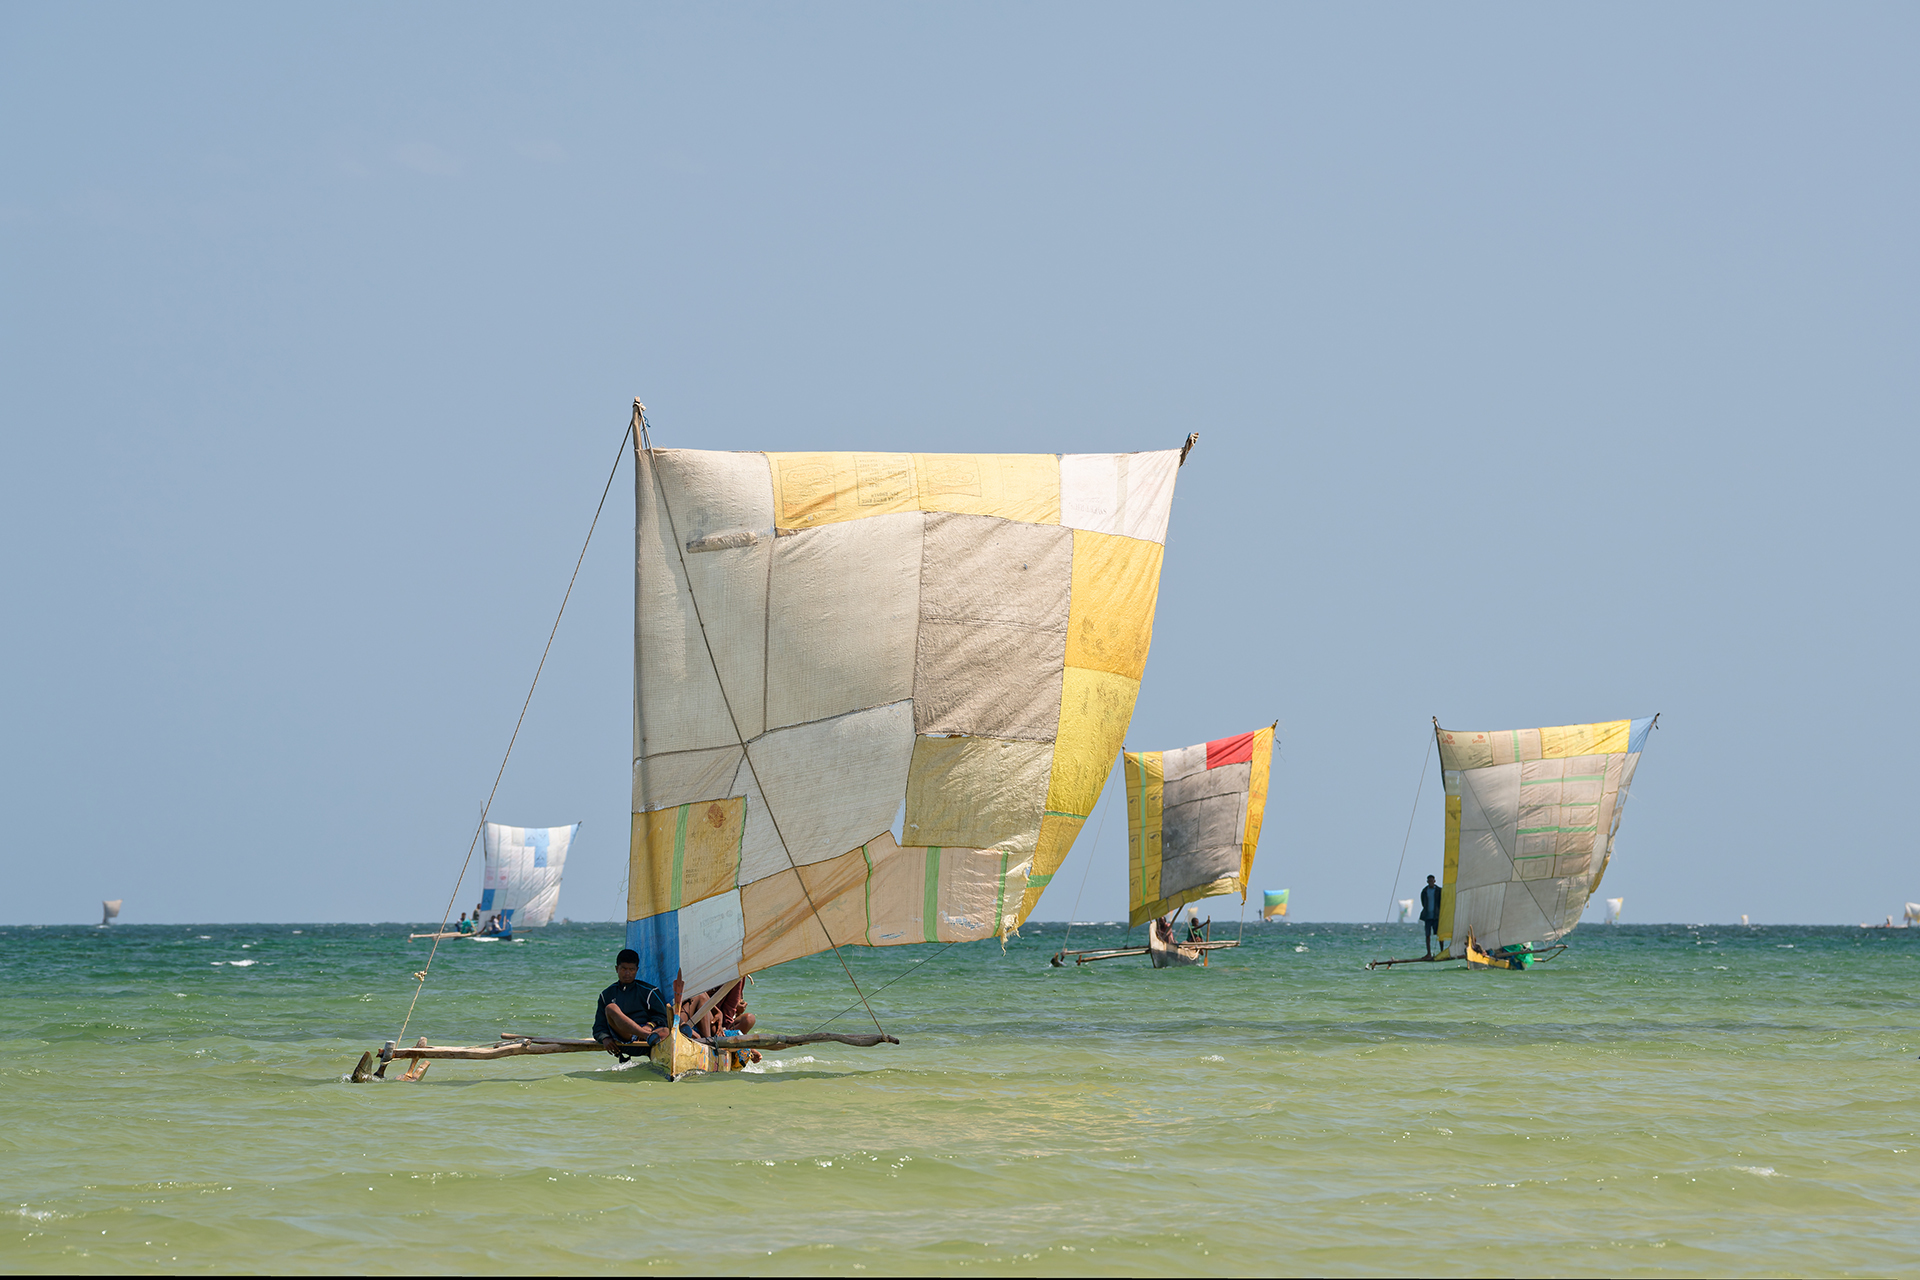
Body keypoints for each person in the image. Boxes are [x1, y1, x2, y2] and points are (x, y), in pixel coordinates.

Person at [594, 948, 672, 1059]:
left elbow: (663, 1017)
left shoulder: (650, 991)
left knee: (666, 1031)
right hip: (624, 1038)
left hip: (647, 1040)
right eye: (624, 969)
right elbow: (599, 1026)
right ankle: (645, 1034)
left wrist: (649, 1026)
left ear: (637, 970)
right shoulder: (606, 994)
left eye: (631, 969)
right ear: (616, 969)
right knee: (611, 1008)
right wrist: (605, 1038)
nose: (627, 973)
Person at [1419, 874, 1443, 958]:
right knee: (1427, 935)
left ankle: (1442, 951)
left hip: (1436, 916)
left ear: (1434, 881)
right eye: (1429, 881)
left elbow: (1442, 901)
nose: (1431, 882)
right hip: (1428, 916)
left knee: (1440, 934)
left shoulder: (1439, 890)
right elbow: (1423, 902)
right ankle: (1428, 953)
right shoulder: (1424, 891)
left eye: (1432, 881)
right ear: (1427, 882)